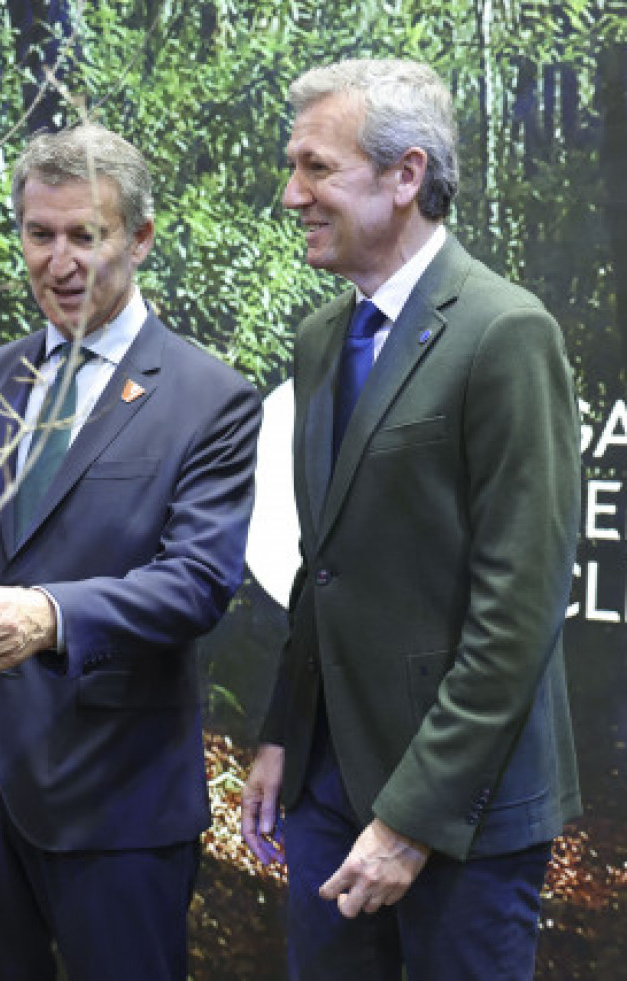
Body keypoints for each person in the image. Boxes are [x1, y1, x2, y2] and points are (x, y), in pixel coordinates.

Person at [240, 58, 581, 980]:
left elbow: (517, 616)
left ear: (405, 176)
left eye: (316, 168)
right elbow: (326, 563)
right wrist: (281, 731)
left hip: (458, 816)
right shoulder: (322, 337)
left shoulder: (505, 333)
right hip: (326, 793)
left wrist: (410, 820)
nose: (291, 193)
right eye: (291, 166)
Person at [0, 123, 261, 981]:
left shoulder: (211, 399)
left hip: (118, 808)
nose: (58, 261)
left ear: (138, 238)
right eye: (39, 234)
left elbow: (196, 582)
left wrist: (48, 615)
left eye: (84, 236)